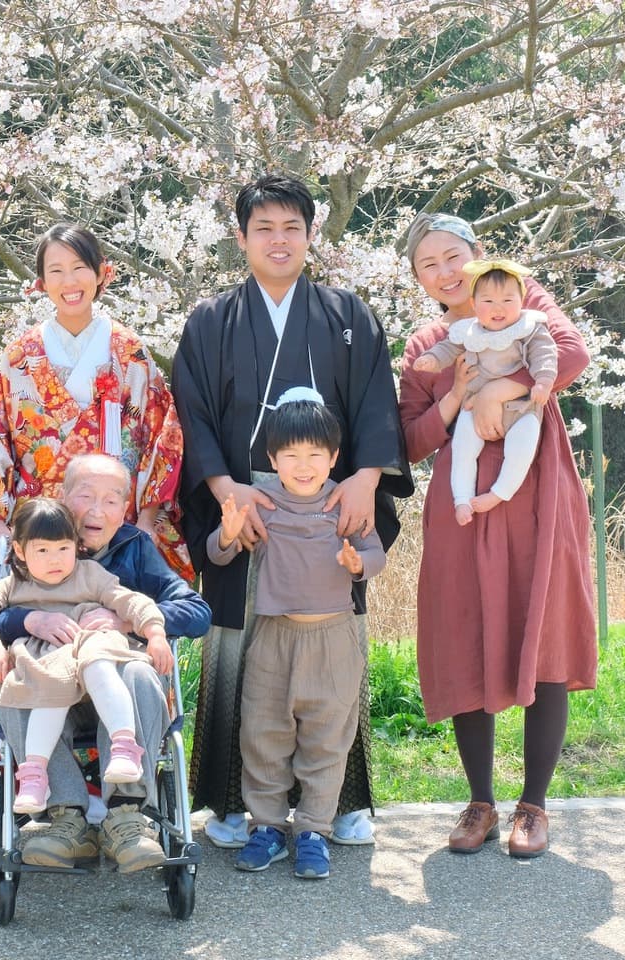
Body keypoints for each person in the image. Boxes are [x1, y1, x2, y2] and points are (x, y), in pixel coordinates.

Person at [171, 173, 411, 848]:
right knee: (239, 650)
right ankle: (231, 803)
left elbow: (373, 404)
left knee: (331, 650)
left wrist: (366, 477)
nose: (279, 241)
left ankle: (338, 803)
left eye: (292, 228)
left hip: (329, 496)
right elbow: (192, 416)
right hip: (242, 503)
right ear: (241, 237)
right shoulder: (212, 321)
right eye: (264, 229)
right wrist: (224, 492)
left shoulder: (347, 316)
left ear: (311, 235)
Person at [399, 211, 596, 858]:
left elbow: (572, 354)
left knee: (546, 634)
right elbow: (412, 437)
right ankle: (480, 800)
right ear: (419, 280)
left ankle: (534, 805)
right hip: (462, 505)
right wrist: (458, 400)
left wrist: (503, 390)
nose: (446, 271)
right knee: (465, 633)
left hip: (536, 488)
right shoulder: (426, 343)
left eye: (453, 255)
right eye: (429, 264)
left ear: (478, 254)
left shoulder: (520, 297)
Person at [0, 453, 212, 873]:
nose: (97, 509)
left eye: (111, 500)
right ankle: (66, 820)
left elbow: (196, 610)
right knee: (17, 687)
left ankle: (124, 817)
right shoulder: (33, 542)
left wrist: (127, 618)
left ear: (124, 509)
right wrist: (29, 618)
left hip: (114, 680)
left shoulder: (134, 547)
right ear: (63, 497)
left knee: (143, 674)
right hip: (52, 681)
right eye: (85, 495)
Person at [0, 223, 189, 593]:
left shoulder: (129, 352)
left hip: (114, 520)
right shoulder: (20, 356)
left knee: (115, 626)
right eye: (55, 271)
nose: (69, 281)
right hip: (39, 524)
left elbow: (160, 435)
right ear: (41, 282)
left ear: (99, 272)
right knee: (38, 632)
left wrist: (147, 520)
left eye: (79, 267)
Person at [207, 389, 386, 878]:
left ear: (333, 457)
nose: (303, 466)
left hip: (333, 638)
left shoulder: (343, 505)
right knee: (264, 732)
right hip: (273, 635)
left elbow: (376, 554)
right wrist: (226, 532)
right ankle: (266, 826)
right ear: (272, 459)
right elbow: (219, 553)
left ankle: (312, 830)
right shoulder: (263, 504)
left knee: (327, 737)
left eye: (314, 455)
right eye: (290, 456)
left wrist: (357, 564)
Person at [0, 497, 174, 818]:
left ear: (76, 546)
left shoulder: (89, 575)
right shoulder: (14, 585)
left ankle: (123, 745)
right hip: (50, 666)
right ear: (20, 551)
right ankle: (35, 774)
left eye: (63, 548)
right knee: (50, 683)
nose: (55, 560)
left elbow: (132, 602)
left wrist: (156, 633)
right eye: (43, 551)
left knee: (98, 663)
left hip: (91, 648)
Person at [411, 258, 557, 525]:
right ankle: (462, 499)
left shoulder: (529, 327)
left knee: (522, 447)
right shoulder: (469, 331)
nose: (498, 308)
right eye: (488, 301)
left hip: (521, 407)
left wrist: (543, 381)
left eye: (507, 300)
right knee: (463, 448)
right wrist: (432, 359)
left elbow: (545, 354)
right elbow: (448, 348)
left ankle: (500, 493)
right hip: (473, 405)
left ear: (521, 301)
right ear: (475, 304)